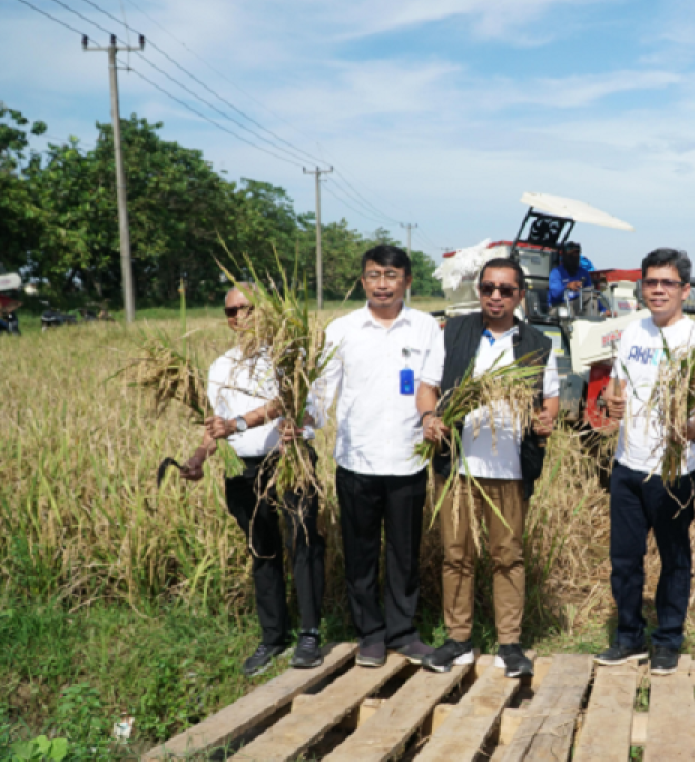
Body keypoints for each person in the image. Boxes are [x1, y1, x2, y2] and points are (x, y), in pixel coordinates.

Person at [418, 258, 559, 678]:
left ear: (519, 295)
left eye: (505, 289)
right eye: (488, 288)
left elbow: (548, 398)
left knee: (508, 556)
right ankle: (458, 640)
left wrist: (545, 419)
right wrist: (429, 418)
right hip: (457, 464)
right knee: (456, 554)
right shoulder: (455, 332)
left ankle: (510, 644)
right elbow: (428, 387)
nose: (495, 296)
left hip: (510, 468)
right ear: (479, 291)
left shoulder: (536, 343)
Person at [182, 284, 326, 677]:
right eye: (232, 311)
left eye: (248, 308)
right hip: (246, 467)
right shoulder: (220, 366)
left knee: (304, 543)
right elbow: (217, 426)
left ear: (265, 311)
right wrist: (196, 459)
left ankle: (310, 633)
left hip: (291, 460)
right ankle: (272, 636)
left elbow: (293, 404)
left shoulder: (290, 356)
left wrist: (243, 422)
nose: (241, 317)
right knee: (262, 550)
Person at [315, 245, 444, 667]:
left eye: (391, 276)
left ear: (406, 280)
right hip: (357, 458)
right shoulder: (342, 329)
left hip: (409, 458)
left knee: (404, 553)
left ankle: (403, 632)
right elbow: (321, 393)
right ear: (363, 280)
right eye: (373, 275)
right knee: (361, 551)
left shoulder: (425, 328)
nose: (382, 284)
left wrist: (429, 419)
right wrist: (299, 425)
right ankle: (370, 634)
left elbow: (430, 384)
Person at [594, 248, 695, 675]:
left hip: (672, 472)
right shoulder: (632, 334)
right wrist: (611, 405)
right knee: (625, 559)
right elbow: (617, 387)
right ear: (642, 287)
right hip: (628, 466)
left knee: (673, 556)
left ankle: (667, 639)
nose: (658, 290)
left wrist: (689, 430)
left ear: (684, 289)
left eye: (668, 283)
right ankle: (628, 637)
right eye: (651, 282)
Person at [548, 241, 594, 307]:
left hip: (578, 305)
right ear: (564, 255)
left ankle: (593, 316)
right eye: (572, 254)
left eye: (577, 253)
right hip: (559, 306)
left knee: (589, 294)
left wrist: (603, 310)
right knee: (568, 311)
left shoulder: (584, 273)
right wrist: (567, 286)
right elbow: (555, 294)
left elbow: (591, 293)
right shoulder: (556, 272)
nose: (575, 256)